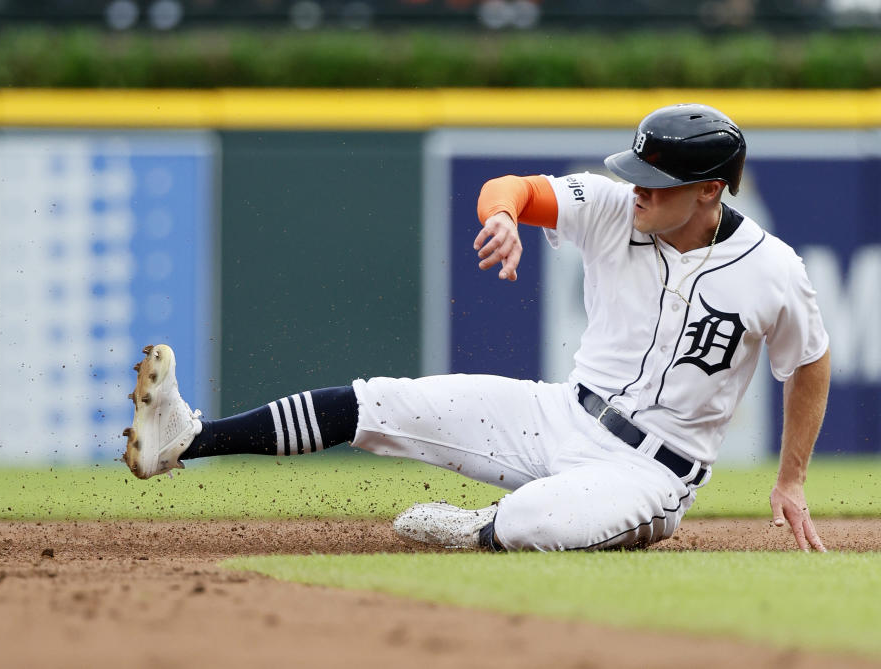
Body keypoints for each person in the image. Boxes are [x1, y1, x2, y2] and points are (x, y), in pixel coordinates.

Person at [122, 103, 830, 552]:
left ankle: (482, 529)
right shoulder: (617, 206)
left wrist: (790, 479)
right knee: (379, 402)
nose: (638, 185)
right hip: (560, 412)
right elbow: (516, 189)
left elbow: (811, 361)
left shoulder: (772, 271)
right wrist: (501, 215)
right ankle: (186, 438)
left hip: (651, 470)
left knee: (536, 522)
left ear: (710, 189)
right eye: (636, 169)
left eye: (658, 178)